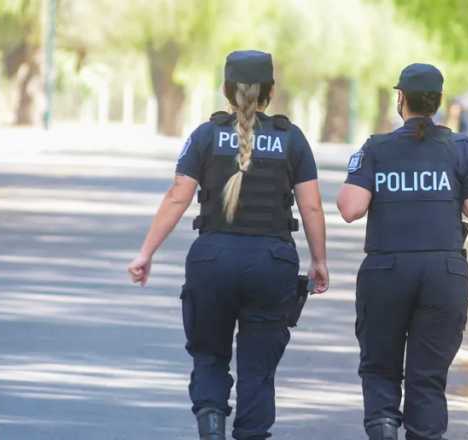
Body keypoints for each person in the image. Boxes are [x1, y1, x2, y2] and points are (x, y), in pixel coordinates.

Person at [127, 50, 329, 440]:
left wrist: (146, 252)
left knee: (209, 355)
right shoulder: (291, 139)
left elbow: (177, 196)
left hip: (213, 260)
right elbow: (312, 206)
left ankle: (212, 426)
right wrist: (319, 260)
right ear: (270, 90)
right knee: (257, 367)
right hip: (272, 263)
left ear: (226, 89)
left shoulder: (205, 135)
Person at [336, 63, 468, 440]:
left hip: (386, 272)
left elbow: (350, 208)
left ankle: (384, 429)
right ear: (438, 103)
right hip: (444, 274)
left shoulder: (377, 148)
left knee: (380, 368)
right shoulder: (461, 148)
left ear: (400, 100)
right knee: (427, 377)